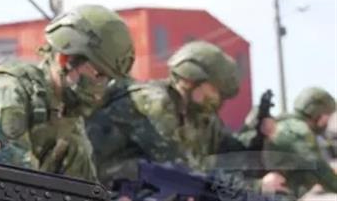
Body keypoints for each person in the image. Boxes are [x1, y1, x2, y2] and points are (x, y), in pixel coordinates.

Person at [0, 5, 136, 181]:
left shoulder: (66, 110)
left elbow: (82, 186)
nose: (103, 87)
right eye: (99, 75)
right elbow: (11, 186)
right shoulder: (9, 91)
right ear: (65, 60)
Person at [86, 40, 278, 190]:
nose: (218, 99)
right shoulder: (155, 103)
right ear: (191, 79)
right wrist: (256, 187)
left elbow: (235, 156)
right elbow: (182, 174)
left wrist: (259, 135)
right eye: (215, 90)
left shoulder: (201, 118)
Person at [264, 87, 337, 198]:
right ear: (317, 113)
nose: (326, 122)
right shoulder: (299, 130)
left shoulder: (285, 124)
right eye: (327, 116)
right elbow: (318, 168)